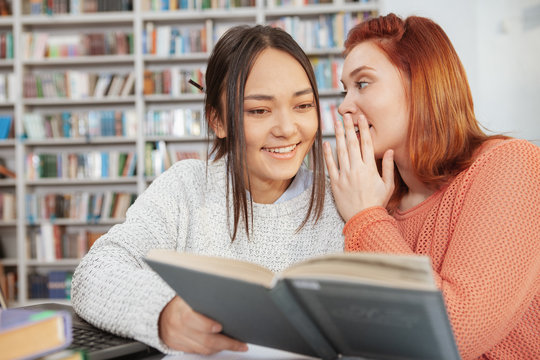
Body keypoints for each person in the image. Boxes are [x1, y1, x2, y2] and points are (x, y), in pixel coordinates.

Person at [72, 25, 345, 355]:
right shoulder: (187, 187)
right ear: (218, 121)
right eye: (259, 110)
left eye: (303, 106)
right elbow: (95, 272)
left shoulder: (340, 197)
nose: (287, 129)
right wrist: (164, 315)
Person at [323, 13, 539, 360]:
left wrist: (366, 216)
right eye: (344, 90)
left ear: (421, 83)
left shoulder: (512, 165)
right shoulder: (376, 202)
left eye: (362, 84)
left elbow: (456, 333)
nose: (345, 106)